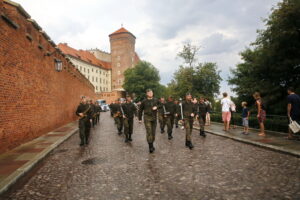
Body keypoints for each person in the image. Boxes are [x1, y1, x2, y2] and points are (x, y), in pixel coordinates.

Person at [138, 89, 159, 153]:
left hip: (154, 118)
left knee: (153, 132)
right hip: (147, 118)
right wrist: (140, 119)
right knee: (149, 131)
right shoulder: (144, 101)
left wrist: (156, 107)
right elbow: (140, 110)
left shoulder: (156, 99)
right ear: (147, 94)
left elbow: (161, 105)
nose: (150, 93)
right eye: (149, 93)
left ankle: (152, 144)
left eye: (151, 92)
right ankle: (150, 146)